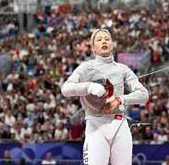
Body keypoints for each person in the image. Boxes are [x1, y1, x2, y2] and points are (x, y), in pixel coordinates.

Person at [61, 27, 149, 165]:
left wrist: (120, 99)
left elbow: (143, 95)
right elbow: (65, 89)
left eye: (107, 39)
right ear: (93, 47)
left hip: (119, 125)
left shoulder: (122, 69)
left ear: (112, 45)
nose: (104, 41)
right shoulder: (85, 68)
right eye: (99, 39)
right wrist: (88, 87)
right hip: (95, 125)